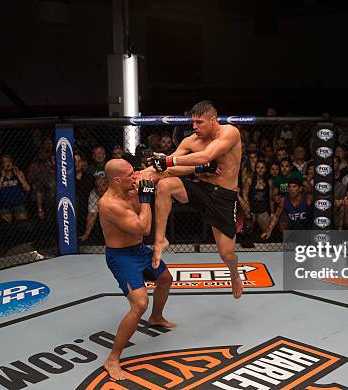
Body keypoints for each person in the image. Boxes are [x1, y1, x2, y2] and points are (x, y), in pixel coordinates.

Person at [146, 100, 244, 299]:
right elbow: (168, 166)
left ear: (213, 120)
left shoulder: (230, 132)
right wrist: (143, 172)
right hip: (201, 190)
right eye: (193, 122)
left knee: (226, 254)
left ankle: (234, 273)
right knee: (164, 183)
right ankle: (160, 240)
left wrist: (166, 160)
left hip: (224, 197)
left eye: (199, 122)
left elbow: (205, 157)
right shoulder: (190, 141)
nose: (194, 127)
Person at [98, 159, 176, 381]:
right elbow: (144, 227)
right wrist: (145, 197)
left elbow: (165, 172)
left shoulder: (132, 184)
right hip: (121, 257)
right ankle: (113, 358)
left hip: (139, 250)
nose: (135, 177)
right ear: (117, 179)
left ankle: (157, 317)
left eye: (134, 172)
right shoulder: (109, 204)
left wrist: (202, 167)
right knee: (139, 303)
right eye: (130, 174)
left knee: (165, 279)